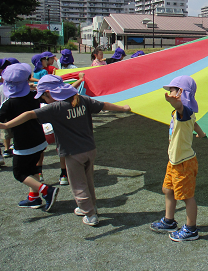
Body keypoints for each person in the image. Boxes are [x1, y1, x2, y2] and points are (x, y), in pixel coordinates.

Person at [0, 74, 131, 226]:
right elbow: (104, 105)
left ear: (49, 93)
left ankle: (90, 215)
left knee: (78, 185)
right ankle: (91, 207)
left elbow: (29, 114)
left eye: (43, 97)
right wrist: (123, 108)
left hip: (72, 153)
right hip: (90, 149)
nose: (43, 101)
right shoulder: (82, 99)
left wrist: (6, 125)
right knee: (88, 180)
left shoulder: (55, 108)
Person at [0, 63, 59, 212]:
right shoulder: (33, 95)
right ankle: (34, 197)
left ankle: (45, 190)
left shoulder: (9, 104)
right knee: (33, 168)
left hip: (23, 143)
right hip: (39, 139)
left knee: (19, 173)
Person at [150, 76, 200, 241]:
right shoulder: (183, 113)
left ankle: (191, 229)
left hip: (183, 163)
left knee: (186, 196)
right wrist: (201, 133)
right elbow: (194, 123)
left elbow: (181, 108)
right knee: (168, 190)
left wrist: (174, 101)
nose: (169, 93)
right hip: (174, 161)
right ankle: (169, 220)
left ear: (181, 92)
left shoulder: (183, 110)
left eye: (172, 90)